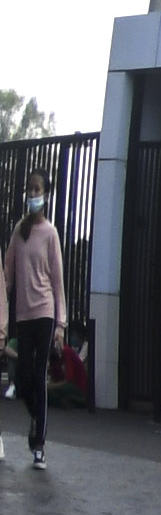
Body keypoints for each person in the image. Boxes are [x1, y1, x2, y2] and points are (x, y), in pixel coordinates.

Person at [6, 198, 61, 471]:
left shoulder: (51, 233)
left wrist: (60, 325)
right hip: (24, 314)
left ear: (46, 194)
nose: (32, 194)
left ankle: (39, 446)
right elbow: (7, 276)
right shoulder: (20, 231)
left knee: (39, 377)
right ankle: (36, 417)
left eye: (37, 189)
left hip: (45, 312)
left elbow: (58, 281)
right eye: (30, 189)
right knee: (24, 378)